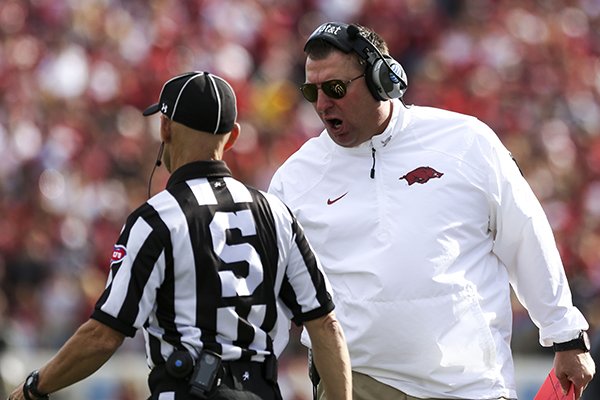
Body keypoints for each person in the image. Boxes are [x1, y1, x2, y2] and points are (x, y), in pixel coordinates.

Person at [268, 21, 596, 400]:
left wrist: (565, 334)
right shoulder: (295, 178)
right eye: (313, 91)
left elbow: (525, 234)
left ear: (381, 78)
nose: (323, 104)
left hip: (469, 385)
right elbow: (277, 296)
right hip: (358, 382)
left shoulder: (464, 141)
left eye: (336, 88)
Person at [7, 71, 352, 400]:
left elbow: (103, 335)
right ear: (232, 137)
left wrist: (35, 386)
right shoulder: (275, 213)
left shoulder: (156, 219)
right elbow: (325, 325)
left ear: (165, 127)